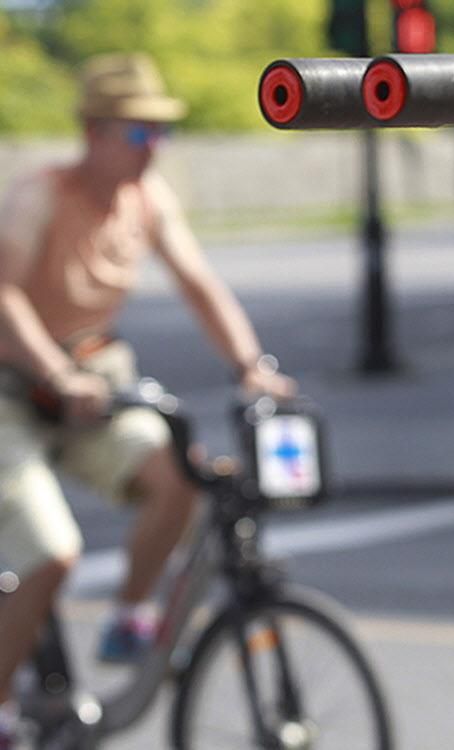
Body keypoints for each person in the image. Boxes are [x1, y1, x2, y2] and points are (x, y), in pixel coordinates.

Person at [0, 52, 295, 744]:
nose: (151, 147)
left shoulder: (147, 199)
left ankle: (132, 613)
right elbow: (4, 292)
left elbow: (199, 285)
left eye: (158, 132)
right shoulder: (39, 196)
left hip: (89, 390)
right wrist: (55, 372)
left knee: (180, 480)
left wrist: (251, 365)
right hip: (15, 392)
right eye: (137, 133)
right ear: (94, 132)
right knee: (52, 552)